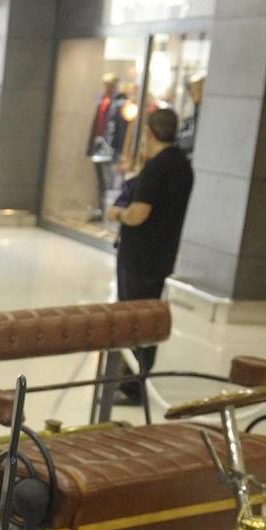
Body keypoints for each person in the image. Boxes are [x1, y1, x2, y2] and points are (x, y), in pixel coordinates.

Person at [107, 107, 193, 403]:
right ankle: (132, 377)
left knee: (134, 316)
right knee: (145, 315)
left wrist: (118, 213)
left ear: (150, 133)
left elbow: (139, 214)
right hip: (161, 253)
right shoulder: (182, 164)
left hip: (140, 255)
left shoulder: (158, 167)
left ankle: (131, 384)